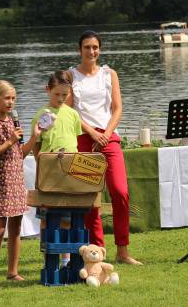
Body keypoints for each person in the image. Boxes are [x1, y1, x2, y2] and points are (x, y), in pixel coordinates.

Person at [67, 30, 142, 266]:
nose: (91, 51)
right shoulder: (70, 76)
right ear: (80, 49)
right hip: (83, 139)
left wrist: (106, 134)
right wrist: (91, 133)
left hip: (109, 138)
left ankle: (123, 251)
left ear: (100, 49)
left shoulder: (110, 74)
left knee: (120, 192)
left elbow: (117, 109)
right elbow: (69, 112)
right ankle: (96, 251)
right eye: (87, 47)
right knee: (91, 199)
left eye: (95, 47)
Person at [0, 80, 41, 289]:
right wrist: (10, 141)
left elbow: (19, 154)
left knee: (16, 228)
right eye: (7, 98)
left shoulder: (14, 122)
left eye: (13, 98)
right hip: (0, 182)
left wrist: (33, 137)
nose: (11, 102)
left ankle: (13, 272)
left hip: (16, 180)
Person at [31, 70, 83, 267]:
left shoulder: (73, 115)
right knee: (46, 217)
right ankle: (48, 258)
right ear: (48, 90)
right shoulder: (40, 116)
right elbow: (36, 146)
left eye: (65, 94)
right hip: (48, 174)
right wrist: (43, 166)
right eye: (57, 94)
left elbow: (74, 142)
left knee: (67, 218)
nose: (61, 98)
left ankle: (66, 259)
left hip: (69, 173)